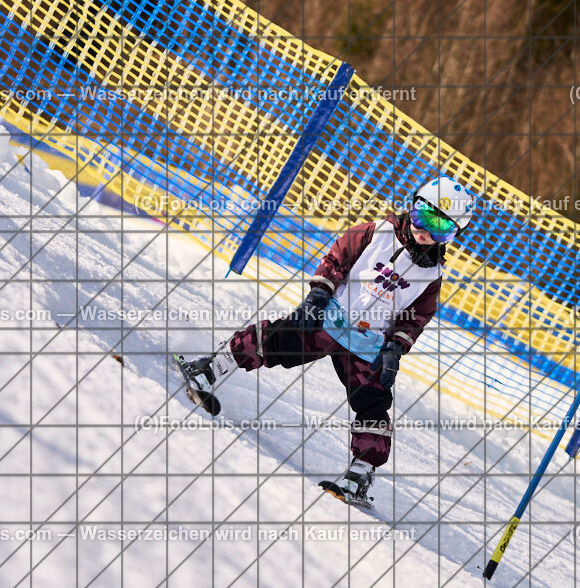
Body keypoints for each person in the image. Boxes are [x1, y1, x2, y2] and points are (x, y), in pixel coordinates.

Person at [185, 177, 477, 505]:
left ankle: (361, 473)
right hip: (329, 319)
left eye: (442, 229)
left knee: (374, 403)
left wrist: (396, 346)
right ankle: (210, 368)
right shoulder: (376, 232)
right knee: (278, 340)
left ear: (453, 236)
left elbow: (417, 316)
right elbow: (338, 258)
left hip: (368, 344)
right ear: (412, 208)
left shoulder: (432, 275)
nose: (427, 232)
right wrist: (320, 294)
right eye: (424, 217)